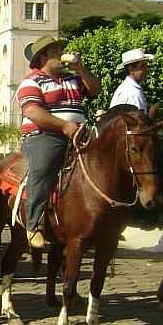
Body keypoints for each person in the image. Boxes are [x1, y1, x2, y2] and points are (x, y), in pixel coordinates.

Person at [16, 35, 101, 248]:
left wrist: (81, 69)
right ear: (43, 56)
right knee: (43, 168)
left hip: (78, 135)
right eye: (55, 51)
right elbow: (33, 112)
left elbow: (95, 89)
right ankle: (34, 225)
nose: (61, 54)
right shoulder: (31, 81)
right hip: (44, 135)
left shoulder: (72, 79)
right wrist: (63, 126)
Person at [109, 48, 163, 125]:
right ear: (131, 70)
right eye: (143, 66)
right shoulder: (132, 93)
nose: (147, 69)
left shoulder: (126, 88)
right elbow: (140, 129)